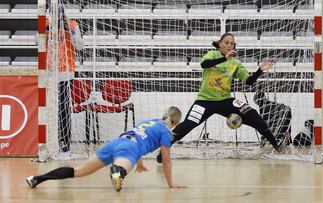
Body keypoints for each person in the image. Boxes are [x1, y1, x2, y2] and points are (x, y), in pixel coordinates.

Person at [157, 33, 290, 163]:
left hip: (226, 101)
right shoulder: (212, 54)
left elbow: (249, 81)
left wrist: (260, 70)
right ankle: (163, 149)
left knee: (253, 115)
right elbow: (204, 64)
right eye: (226, 42)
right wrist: (224, 59)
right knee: (187, 125)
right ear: (220, 44)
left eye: (232, 43)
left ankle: (276, 144)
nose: (229, 45)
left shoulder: (235, 63)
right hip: (205, 101)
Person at [26, 106, 186, 191]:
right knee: (120, 169)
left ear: (164, 115)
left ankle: (36, 179)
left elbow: (140, 136)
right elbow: (166, 162)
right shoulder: (166, 133)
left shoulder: (149, 121)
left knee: (78, 171)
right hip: (130, 149)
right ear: (176, 123)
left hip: (116, 142)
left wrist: (139, 163)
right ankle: (117, 172)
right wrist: (171, 183)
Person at [46, 5, 84, 152]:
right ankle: (48, 140)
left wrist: (71, 31)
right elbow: (37, 41)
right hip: (49, 74)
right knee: (48, 108)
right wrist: (47, 31)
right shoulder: (44, 23)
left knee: (64, 109)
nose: (58, 19)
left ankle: (65, 142)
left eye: (59, 17)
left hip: (66, 73)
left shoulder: (73, 24)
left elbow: (80, 46)